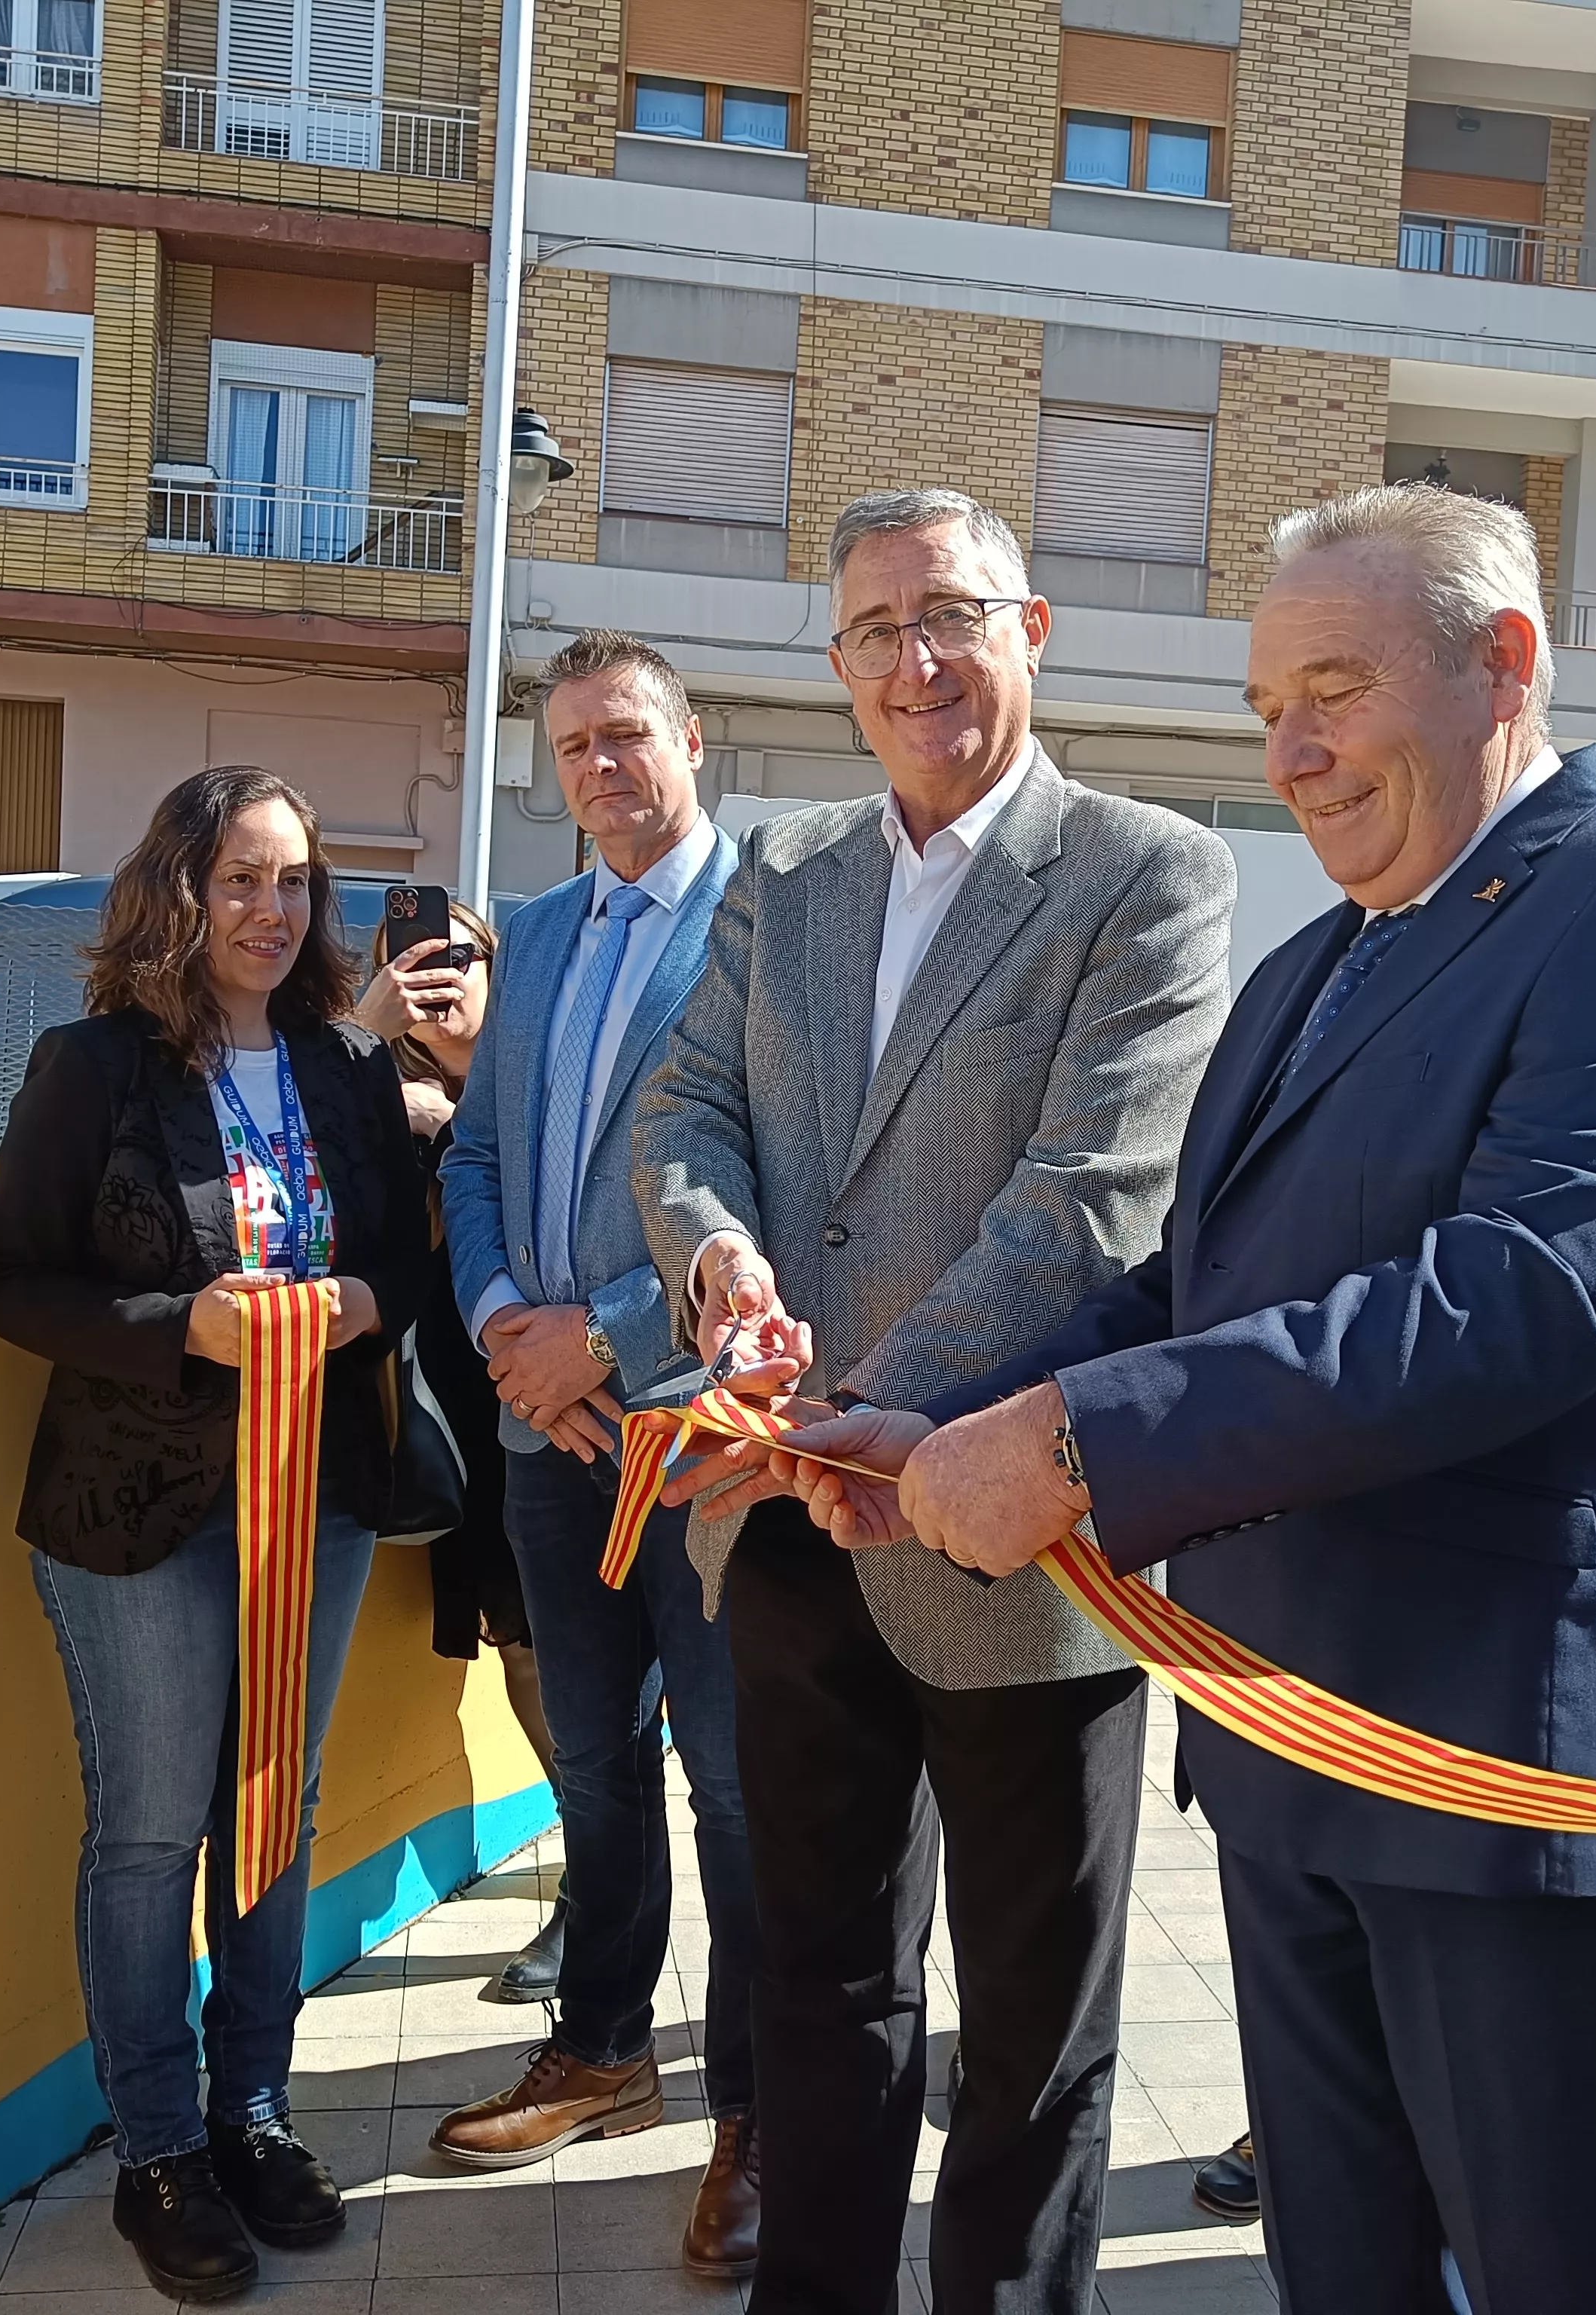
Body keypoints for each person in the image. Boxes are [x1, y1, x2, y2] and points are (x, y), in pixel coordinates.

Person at [766, 483, 1596, 2315]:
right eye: (1267, 710)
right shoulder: (1312, 964)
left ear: (1504, 665)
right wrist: (949, 1426)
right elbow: (1187, 1289)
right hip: (1293, 1756)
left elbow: (1526, 1293)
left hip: (1521, 1787)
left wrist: (1079, 1448)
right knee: (1347, 2274)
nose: (1296, 752)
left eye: (1334, 686)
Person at [634, 488, 1234, 2314]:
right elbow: (683, 1112)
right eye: (877, 632)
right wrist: (717, 1256)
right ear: (837, 668)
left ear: (1031, 628)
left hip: (1011, 1534)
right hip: (796, 1539)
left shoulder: (1146, 868)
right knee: (818, 1982)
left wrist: (873, 1410)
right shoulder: (787, 865)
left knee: (1035, 2028)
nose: (916, 662)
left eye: (950, 616)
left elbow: (1092, 1198)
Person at [0, 765, 427, 2304]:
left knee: (272, 1816)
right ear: (178, 889)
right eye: (240, 879)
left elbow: (403, 1266)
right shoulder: (90, 1068)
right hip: (137, 1511)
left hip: (319, 1501)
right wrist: (187, 1327)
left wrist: (363, 1304)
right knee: (155, 1829)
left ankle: (251, 2112)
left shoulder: (346, 1074)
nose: (272, 911)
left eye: (295, 882)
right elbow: (10, 1282)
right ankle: (156, 2148)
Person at [427, 631, 766, 2275]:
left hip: (696, 1435)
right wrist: (506, 1323)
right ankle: (604, 2043)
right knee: (592, 1760)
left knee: (736, 1782)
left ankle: (757, 2121)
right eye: (572, 749)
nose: (602, 769)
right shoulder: (543, 930)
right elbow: (477, 1153)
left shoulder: (770, 919)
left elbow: (778, 1172)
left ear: (691, 741)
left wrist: (614, 1340)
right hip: (540, 1430)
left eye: (626, 736)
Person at [353, 898, 571, 2006]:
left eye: (460, 957)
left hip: (572, 1397)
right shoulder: (375, 1101)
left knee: (595, 1649)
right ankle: (596, 1874)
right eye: (410, 964)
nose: (437, 978)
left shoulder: (550, 1075)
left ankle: (624, 1875)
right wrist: (371, 1079)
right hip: (454, 1412)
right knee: (519, 1645)